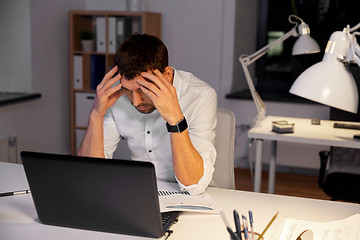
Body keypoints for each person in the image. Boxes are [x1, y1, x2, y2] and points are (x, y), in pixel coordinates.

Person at [78, 33, 217, 195]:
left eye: (142, 90)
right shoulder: (115, 94)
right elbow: (91, 174)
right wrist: (96, 114)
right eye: (129, 90)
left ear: (166, 76)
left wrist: (175, 119)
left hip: (195, 197)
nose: (136, 102)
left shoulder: (200, 96)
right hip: (142, 194)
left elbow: (194, 185)